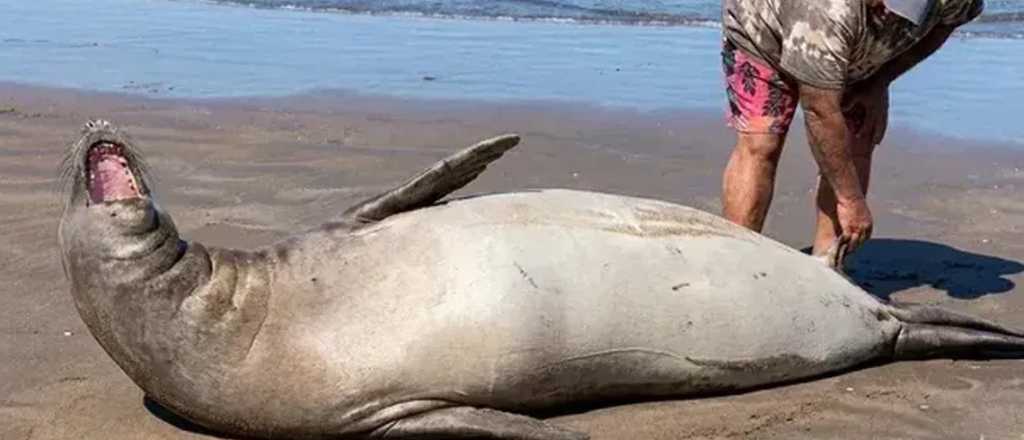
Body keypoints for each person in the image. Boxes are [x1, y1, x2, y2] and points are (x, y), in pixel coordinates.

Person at [719, 0, 984, 263]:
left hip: (848, 41)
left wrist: (880, 80)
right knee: (762, 142)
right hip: (761, 32)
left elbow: (947, 23)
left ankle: (827, 266)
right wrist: (851, 200)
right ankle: (739, 260)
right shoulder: (829, 10)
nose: (893, 17)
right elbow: (820, 110)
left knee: (857, 135)